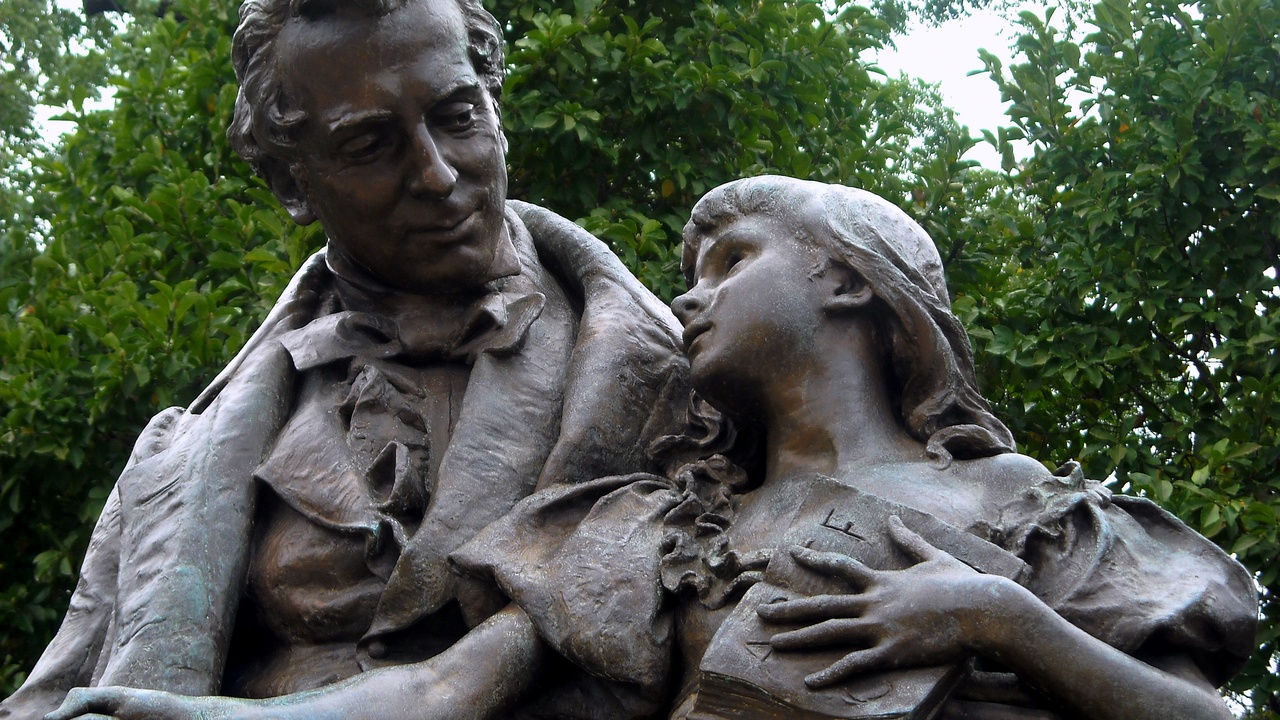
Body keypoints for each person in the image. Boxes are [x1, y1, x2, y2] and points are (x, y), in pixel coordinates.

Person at [39, 175, 1258, 719]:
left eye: (729, 261)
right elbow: (438, 692)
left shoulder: (1032, 510)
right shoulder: (648, 530)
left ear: (848, 281)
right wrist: (201, 719)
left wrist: (997, 619)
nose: (687, 297)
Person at [0, 0, 688, 717]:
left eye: (458, 117)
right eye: (370, 145)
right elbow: (56, 697)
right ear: (291, 183)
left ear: (495, 107)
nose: (436, 175)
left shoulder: (669, 377)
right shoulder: (181, 453)